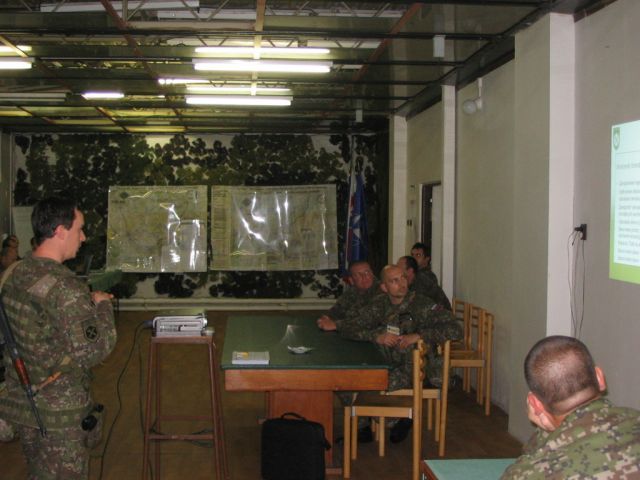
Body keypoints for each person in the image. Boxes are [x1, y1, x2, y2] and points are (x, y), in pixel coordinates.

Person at [0, 196, 117, 479]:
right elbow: (93, 350)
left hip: (25, 404)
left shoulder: (16, 273)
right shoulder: (65, 287)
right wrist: (102, 307)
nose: (83, 237)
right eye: (79, 229)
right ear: (61, 231)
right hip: (59, 413)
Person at [341, 264, 462, 442]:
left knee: (372, 388)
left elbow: (455, 329)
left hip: (411, 369)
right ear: (384, 287)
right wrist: (377, 336)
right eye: (394, 281)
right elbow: (348, 327)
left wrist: (419, 335)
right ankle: (363, 429)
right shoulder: (380, 304)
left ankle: (398, 418)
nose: (402, 284)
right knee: (345, 383)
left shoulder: (421, 304)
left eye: (403, 278)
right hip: (383, 362)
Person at [501, 335, 640, 479]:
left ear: (535, 404)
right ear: (599, 377)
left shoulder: (527, 473)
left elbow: (534, 460)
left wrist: (546, 431)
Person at [316, 260, 381, 332]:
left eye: (367, 272)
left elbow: (368, 320)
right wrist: (326, 318)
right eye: (358, 275)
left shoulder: (382, 291)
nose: (364, 277)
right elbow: (337, 310)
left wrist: (336, 325)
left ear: (372, 274)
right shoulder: (352, 291)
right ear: (351, 280)